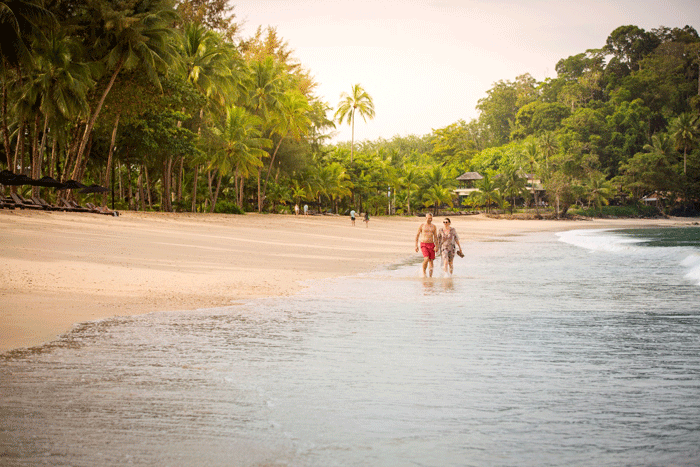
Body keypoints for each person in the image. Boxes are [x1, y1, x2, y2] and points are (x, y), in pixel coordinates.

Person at [415, 213, 438, 277]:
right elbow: (417, 235)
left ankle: (430, 276)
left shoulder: (433, 226)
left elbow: (435, 237)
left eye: (431, 218)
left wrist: (437, 246)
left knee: (431, 260)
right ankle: (424, 272)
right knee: (426, 259)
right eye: (429, 218)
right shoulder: (422, 225)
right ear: (426, 218)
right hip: (424, 244)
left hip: (431, 244)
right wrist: (416, 245)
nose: (430, 219)